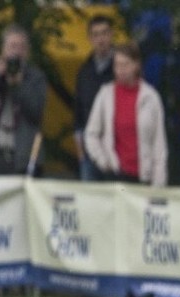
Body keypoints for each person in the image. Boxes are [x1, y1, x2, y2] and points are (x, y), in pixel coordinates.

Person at [84, 42, 168, 186]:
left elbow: (159, 143)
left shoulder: (151, 96)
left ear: (136, 65)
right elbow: (91, 134)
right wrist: (103, 161)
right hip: (115, 175)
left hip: (143, 177)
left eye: (125, 64)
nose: (121, 70)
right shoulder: (106, 94)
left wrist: (158, 183)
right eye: (117, 65)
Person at [0, 23, 47, 176]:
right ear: (3, 50)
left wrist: (19, 86)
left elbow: (36, 112)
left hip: (23, 157)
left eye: (21, 47)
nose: (16, 52)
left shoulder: (36, 77)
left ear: (27, 51)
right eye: (12, 46)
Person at [74, 15, 115, 181]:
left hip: (116, 146)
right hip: (89, 148)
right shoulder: (84, 72)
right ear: (90, 39)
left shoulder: (121, 68)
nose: (101, 39)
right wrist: (79, 148)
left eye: (104, 33)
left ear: (111, 34)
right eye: (96, 35)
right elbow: (78, 112)